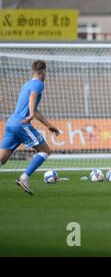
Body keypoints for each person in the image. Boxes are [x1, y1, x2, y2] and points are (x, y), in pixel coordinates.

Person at [0, 60, 60, 195]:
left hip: (11, 123)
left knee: (2, 159)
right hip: (22, 124)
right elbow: (33, 99)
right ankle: (24, 177)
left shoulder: (26, 84)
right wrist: (31, 114)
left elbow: (35, 110)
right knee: (45, 150)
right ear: (43, 71)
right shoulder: (39, 84)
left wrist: (49, 126)